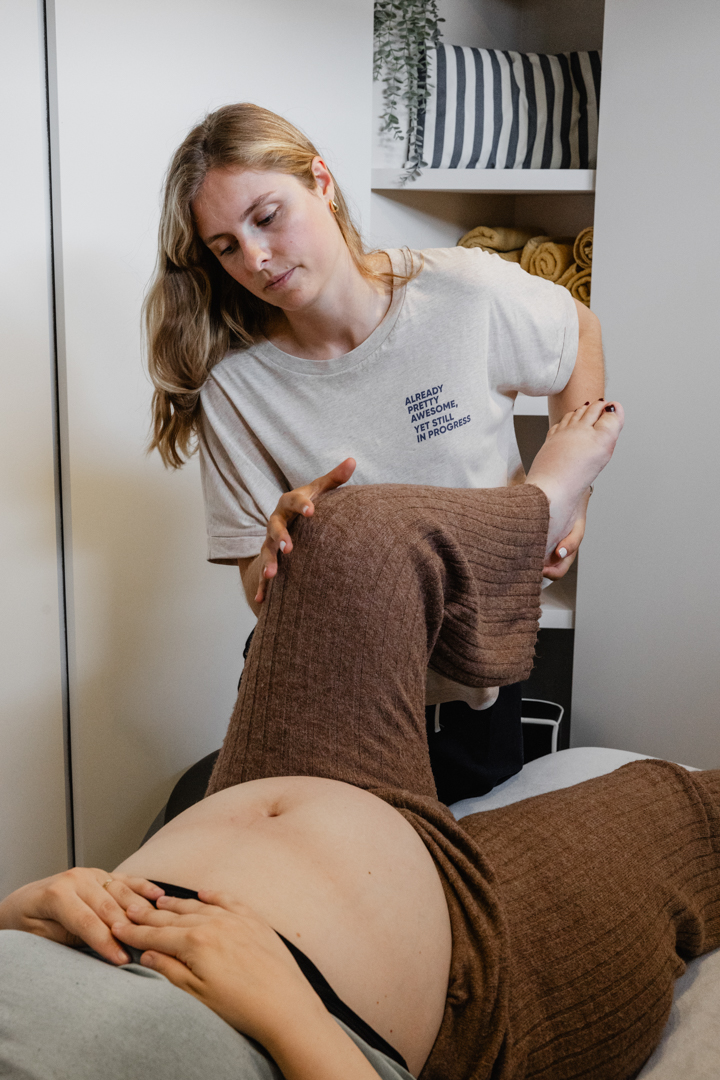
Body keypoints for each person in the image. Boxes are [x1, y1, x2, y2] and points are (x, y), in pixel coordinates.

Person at [4, 401, 720, 1080]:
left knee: (333, 531)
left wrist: (17, 915)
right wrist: (287, 1014)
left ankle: (542, 507)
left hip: (248, 805)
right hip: (449, 974)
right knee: (680, 808)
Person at [144, 102, 605, 802]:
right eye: (227, 247)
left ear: (321, 181)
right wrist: (282, 552)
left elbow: (579, 331)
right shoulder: (235, 386)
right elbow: (259, 593)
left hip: (472, 686)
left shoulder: (462, 294)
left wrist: (570, 500)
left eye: (267, 217)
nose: (256, 258)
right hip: (321, 692)